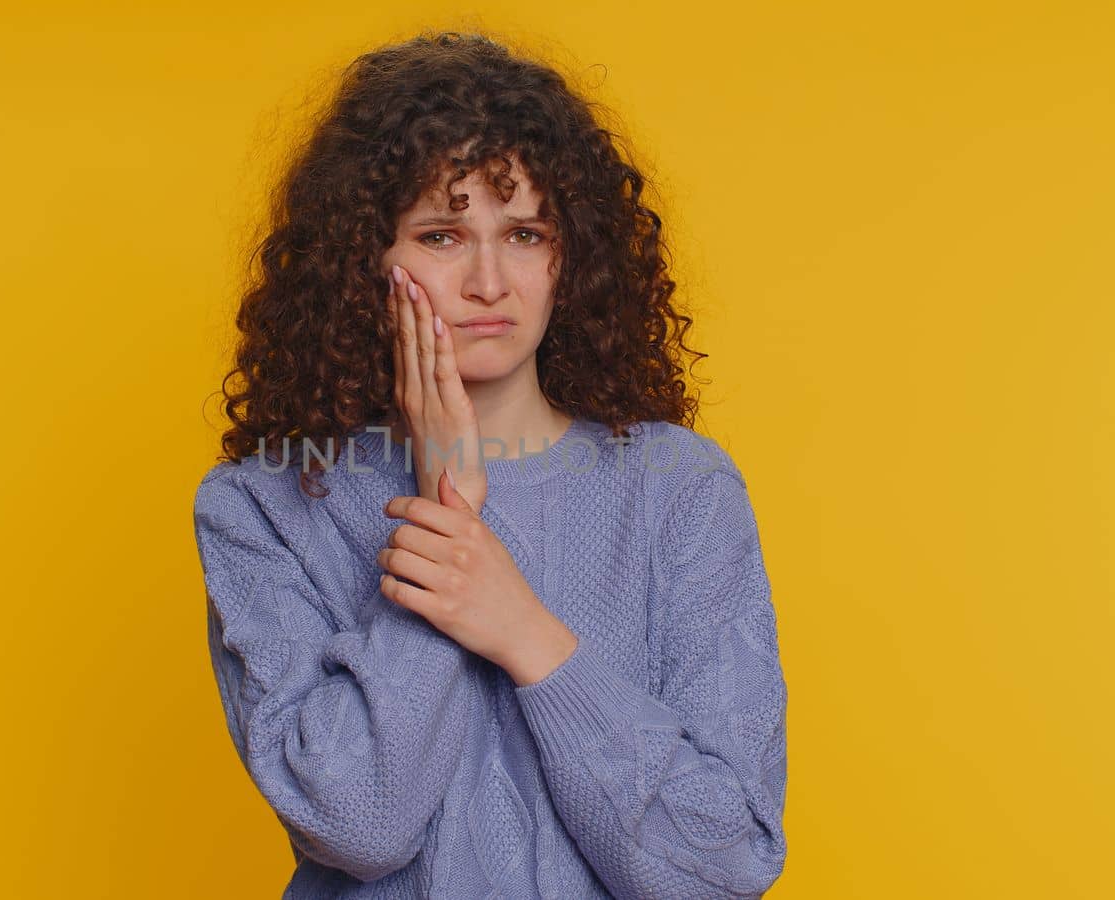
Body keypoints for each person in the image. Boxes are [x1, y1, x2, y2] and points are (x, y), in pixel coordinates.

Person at [193, 31, 788, 899]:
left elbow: (725, 863)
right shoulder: (265, 506)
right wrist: (447, 505)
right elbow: (357, 823)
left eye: (524, 232)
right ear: (365, 260)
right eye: (440, 235)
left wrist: (529, 637)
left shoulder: (680, 491)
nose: (487, 281)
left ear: (569, 257)